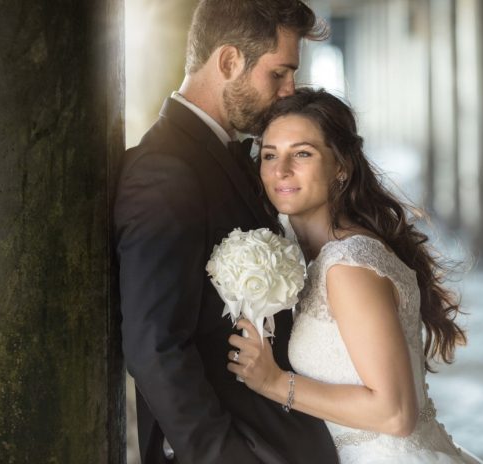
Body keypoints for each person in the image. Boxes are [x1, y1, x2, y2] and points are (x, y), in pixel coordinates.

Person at [114, 2, 339, 463]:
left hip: (280, 431)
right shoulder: (164, 170)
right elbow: (155, 346)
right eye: (279, 74)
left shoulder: (227, 154)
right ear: (229, 61)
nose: (290, 91)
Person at [228, 88, 483, 463]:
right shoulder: (317, 257)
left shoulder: (347, 266)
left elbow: (395, 413)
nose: (281, 170)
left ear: (341, 167)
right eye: (270, 155)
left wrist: (273, 382)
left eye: (302, 153)